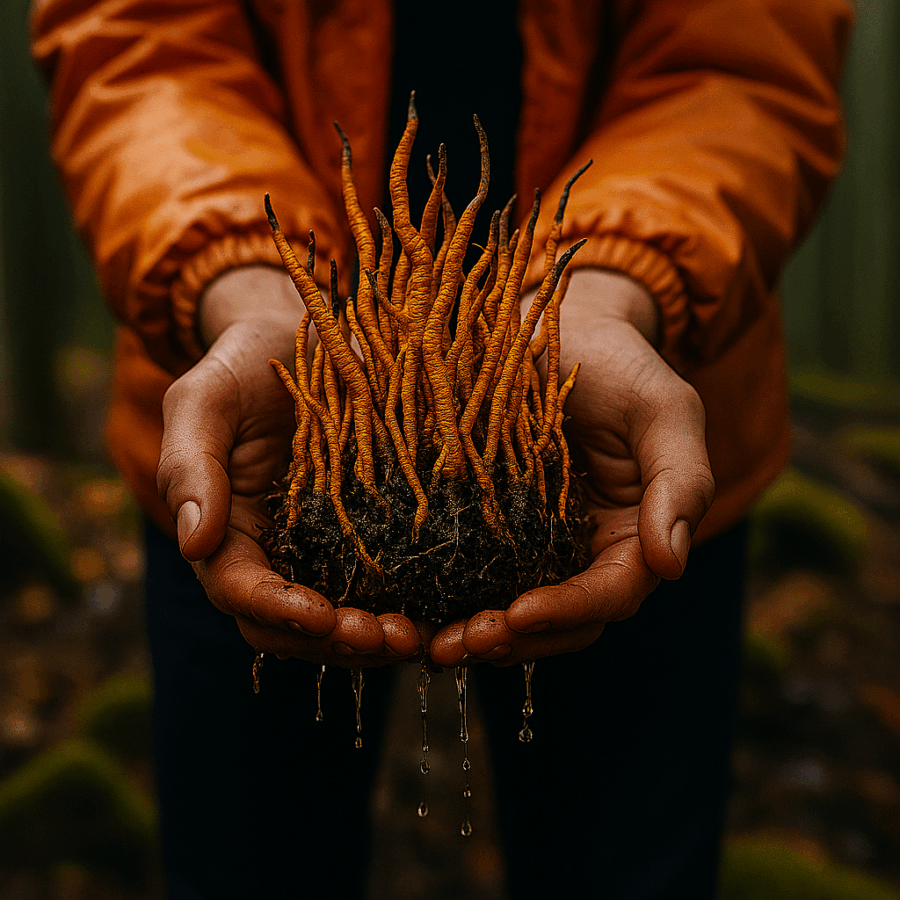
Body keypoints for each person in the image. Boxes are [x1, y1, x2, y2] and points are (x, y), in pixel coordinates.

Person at [32, 1, 852, 897]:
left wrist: (611, 285)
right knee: (251, 862)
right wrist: (244, 277)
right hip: (257, 454)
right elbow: (139, 47)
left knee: (627, 867)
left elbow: (739, 65)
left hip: (623, 454)